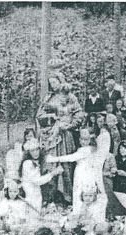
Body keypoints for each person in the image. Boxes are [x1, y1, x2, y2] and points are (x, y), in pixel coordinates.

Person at [36, 60, 84, 202]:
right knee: (50, 164)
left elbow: (79, 113)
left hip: (65, 136)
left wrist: (70, 125)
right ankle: (50, 197)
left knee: (66, 166)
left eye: (55, 82)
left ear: (60, 81)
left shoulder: (70, 97)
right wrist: (51, 117)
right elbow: (39, 115)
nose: (53, 85)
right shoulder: (48, 98)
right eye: (51, 83)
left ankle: (67, 197)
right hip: (50, 136)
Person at [20, 139, 64, 212]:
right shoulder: (27, 163)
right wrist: (53, 173)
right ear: (28, 152)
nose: (35, 153)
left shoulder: (37, 162)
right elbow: (37, 181)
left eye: (37, 150)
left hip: (38, 195)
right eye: (32, 151)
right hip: (31, 196)